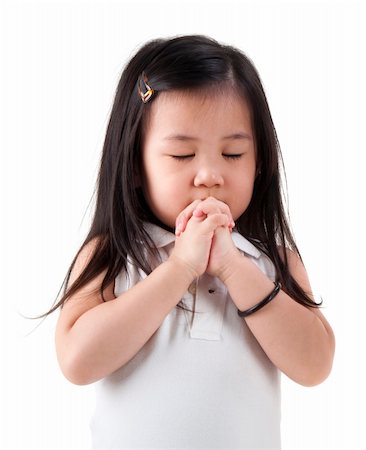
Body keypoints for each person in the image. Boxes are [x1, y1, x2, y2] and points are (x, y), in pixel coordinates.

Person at [39, 34, 335, 449]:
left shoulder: (273, 264)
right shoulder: (115, 255)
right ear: (135, 165)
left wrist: (234, 267)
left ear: (260, 163)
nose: (210, 175)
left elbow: (314, 364)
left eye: (233, 154)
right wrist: (180, 269)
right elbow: (77, 361)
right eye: (181, 156)